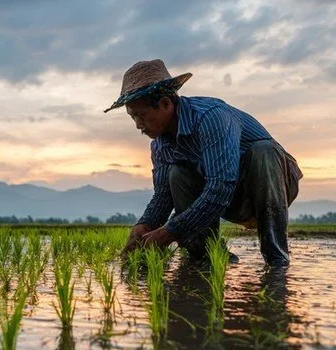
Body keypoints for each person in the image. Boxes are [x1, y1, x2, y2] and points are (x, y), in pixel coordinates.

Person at [104, 59, 302, 266]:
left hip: (269, 185)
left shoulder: (211, 117)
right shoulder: (160, 144)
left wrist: (169, 232)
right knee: (177, 172)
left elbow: (221, 186)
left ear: (165, 104)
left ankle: (277, 259)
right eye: (132, 117)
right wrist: (144, 226)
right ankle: (207, 255)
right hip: (227, 199)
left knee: (263, 151)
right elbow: (163, 195)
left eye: (141, 116)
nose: (137, 125)